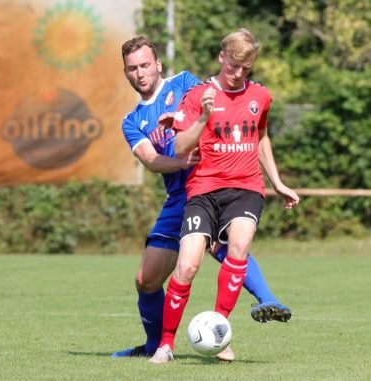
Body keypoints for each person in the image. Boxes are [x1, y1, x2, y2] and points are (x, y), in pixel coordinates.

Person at [112, 36, 292, 359]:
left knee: (223, 246)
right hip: (177, 196)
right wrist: (180, 159)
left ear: (158, 65)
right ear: (125, 72)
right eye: (132, 68)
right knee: (146, 279)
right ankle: (155, 345)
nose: (140, 73)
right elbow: (152, 161)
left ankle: (248, 312)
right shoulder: (132, 121)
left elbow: (221, 98)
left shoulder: (184, 84)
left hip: (209, 184)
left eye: (145, 65)